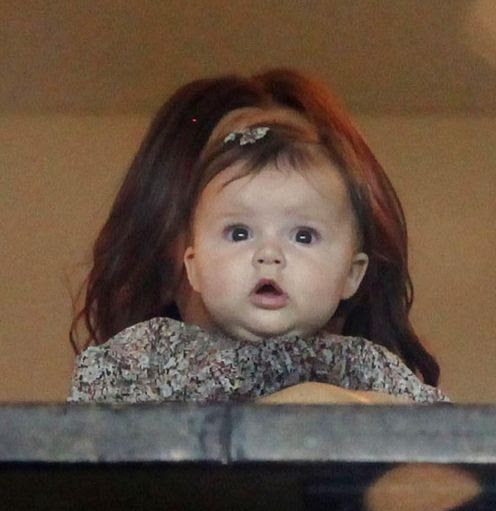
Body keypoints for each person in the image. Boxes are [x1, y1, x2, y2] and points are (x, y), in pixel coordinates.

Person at [68, 69, 448, 404]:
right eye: (238, 232)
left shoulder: (361, 367)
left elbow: (444, 433)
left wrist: (354, 410)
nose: (269, 255)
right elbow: (85, 438)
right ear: (187, 259)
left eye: (303, 235)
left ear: (351, 272)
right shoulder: (144, 358)